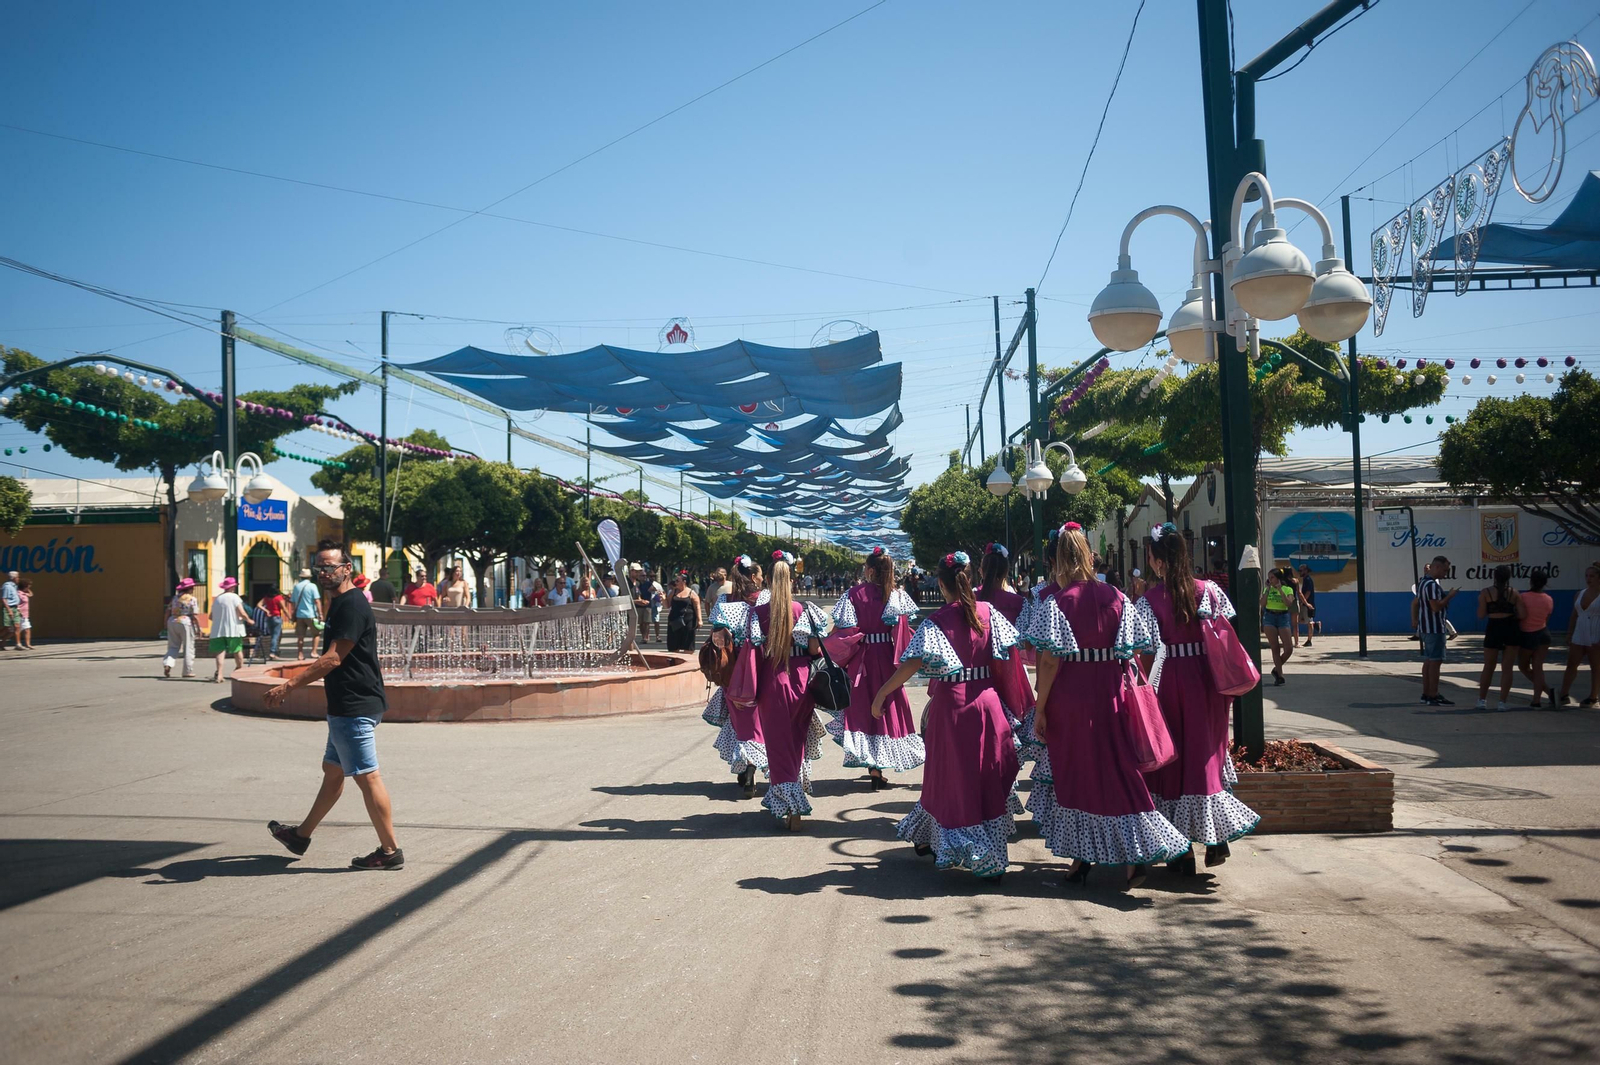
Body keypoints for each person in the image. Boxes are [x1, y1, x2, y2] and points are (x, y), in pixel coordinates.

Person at [1022, 522, 1189, 890]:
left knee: (1077, 775)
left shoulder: (1057, 603)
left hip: (1071, 695)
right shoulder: (1116, 596)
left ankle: (1081, 861)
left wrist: (1042, 706)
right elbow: (1139, 648)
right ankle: (1134, 857)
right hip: (1111, 690)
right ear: (1087, 554)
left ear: (1058, 560)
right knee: (1119, 770)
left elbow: (1048, 661)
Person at [872, 551, 1022, 880]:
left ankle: (969, 849)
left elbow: (911, 664)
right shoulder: (989, 613)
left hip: (952, 708)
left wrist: (883, 692)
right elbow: (1012, 660)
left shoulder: (937, 621)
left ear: (941, 585)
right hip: (987, 704)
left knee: (952, 779)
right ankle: (992, 852)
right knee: (986, 778)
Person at [265, 539, 402, 870]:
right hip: (347, 704)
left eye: (330, 566)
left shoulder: (352, 604)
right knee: (333, 773)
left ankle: (390, 851)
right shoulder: (341, 603)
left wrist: (288, 685)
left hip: (354, 705)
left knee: (368, 778)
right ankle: (300, 835)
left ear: (347, 568)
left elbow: (333, 659)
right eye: (319, 567)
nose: (323, 573)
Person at [1137, 521, 1259, 871]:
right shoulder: (1208, 591)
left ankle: (1181, 850)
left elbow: (1145, 650)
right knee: (1207, 754)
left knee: (1172, 760)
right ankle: (1216, 838)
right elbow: (1226, 630)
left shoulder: (1149, 600)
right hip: (1209, 681)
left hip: (1169, 680)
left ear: (1158, 559)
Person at [826, 546, 926, 789]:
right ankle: (878, 765)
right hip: (888, 659)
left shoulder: (853, 594)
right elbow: (901, 634)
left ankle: (873, 766)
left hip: (861, 658)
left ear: (869, 570)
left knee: (862, 709)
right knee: (886, 707)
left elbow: (845, 631)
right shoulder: (896, 596)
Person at [749, 552, 824, 829]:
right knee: (797, 741)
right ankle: (796, 802)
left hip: (773, 680)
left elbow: (752, 654)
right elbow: (815, 649)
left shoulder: (757, 614)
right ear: (792, 580)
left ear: (767, 581)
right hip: (802, 680)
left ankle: (792, 807)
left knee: (777, 746)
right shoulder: (803, 610)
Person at [706, 555, 771, 796]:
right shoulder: (765, 598)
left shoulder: (724, 600)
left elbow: (716, 634)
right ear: (754, 577)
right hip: (761, 664)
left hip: (733, 667)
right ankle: (752, 766)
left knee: (741, 718)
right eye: (761, 575)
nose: (763, 579)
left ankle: (746, 768)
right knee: (759, 717)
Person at [975, 542, 1040, 768]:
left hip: (976, 668)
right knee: (1010, 725)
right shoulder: (1018, 603)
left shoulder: (969, 599)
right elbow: (1024, 642)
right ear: (1006, 572)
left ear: (981, 570)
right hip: (1010, 670)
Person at [1475, 564, 1525, 711]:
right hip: (1510, 627)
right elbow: (1523, 615)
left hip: (1493, 628)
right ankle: (1502, 702)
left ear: (1494, 577)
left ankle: (1482, 700)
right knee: (1507, 668)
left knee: (1488, 666)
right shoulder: (1514, 593)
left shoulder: (1486, 593)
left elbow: (1481, 615)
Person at [1416, 555, 1459, 706]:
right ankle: (1433, 694)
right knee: (1435, 662)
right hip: (1434, 627)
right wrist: (1450, 596)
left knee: (1428, 661)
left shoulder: (1422, 583)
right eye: (1445, 570)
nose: (1445, 574)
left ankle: (1427, 693)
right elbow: (1435, 607)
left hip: (1426, 627)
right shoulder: (1432, 586)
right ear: (1437, 567)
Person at [1556, 561, 1600, 708]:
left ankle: (1593, 696)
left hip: (1596, 632)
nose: (1589, 578)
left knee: (1595, 666)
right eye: (1587, 575)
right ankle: (1563, 694)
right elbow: (1574, 615)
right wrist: (1569, 633)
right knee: (1571, 664)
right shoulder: (1579, 594)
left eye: (1592, 576)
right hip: (1579, 632)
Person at [1518, 571, 1555, 708]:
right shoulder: (1548, 599)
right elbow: (1546, 619)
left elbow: (1520, 616)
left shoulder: (1523, 597)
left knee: (1523, 666)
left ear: (1531, 581)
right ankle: (1537, 699)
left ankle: (1547, 691)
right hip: (1543, 634)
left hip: (1527, 634)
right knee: (1538, 667)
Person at [208, 576, 250, 683]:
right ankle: (240, 671)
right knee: (237, 651)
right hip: (233, 629)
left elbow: (211, 616)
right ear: (233, 587)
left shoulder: (218, 599)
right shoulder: (235, 597)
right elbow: (242, 612)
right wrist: (249, 620)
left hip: (217, 630)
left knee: (220, 653)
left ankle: (220, 674)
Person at [1260, 569, 1295, 685]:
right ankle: (1279, 675)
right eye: (1269, 578)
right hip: (1270, 617)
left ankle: (1276, 668)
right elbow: (1263, 604)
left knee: (1288, 648)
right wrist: (1267, 590)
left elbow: (1289, 604)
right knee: (1275, 647)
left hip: (1283, 617)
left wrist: (1280, 589)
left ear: (1278, 578)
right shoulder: (1267, 589)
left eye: (1272, 578)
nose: (1270, 580)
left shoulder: (1288, 589)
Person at [162, 577, 200, 678]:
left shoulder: (175, 598)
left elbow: (167, 611)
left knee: (173, 646)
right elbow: (195, 616)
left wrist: (165, 623)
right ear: (190, 588)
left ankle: (168, 663)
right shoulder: (192, 599)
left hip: (172, 621)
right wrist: (199, 629)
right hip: (186, 622)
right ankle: (187, 671)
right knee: (188, 647)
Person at [290, 567, 324, 659]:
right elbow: (317, 601)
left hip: (299, 615)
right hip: (311, 614)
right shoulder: (312, 586)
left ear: (301, 577)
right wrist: (320, 614)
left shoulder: (296, 587)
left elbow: (292, 602)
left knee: (300, 636)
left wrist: (293, 613)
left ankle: (300, 654)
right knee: (316, 634)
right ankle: (314, 652)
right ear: (309, 577)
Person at [665, 570, 702, 653]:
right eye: (675, 580)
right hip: (674, 621)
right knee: (673, 645)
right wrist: (663, 598)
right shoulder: (673, 592)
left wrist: (699, 620)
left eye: (678, 581)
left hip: (688, 621)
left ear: (684, 581)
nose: (675, 582)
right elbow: (668, 605)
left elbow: (697, 607)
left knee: (687, 645)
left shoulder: (691, 593)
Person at [256, 586, 286, 659]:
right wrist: (290, 617)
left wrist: (266, 610)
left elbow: (258, 605)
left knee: (273, 636)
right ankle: (273, 652)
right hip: (277, 617)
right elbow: (284, 608)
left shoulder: (266, 598)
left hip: (269, 618)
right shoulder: (278, 598)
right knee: (276, 636)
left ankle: (274, 652)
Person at [1296, 564, 1321, 646]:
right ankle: (1316, 624)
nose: (1300, 572)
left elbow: (1308, 592)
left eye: (1301, 570)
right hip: (1306, 604)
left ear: (1306, 570)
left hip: (1308, 604)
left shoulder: (1308, 580)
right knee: (1301, 620)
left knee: (1308, 622)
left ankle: (1309, 640)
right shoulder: (1305, 579)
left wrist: (1304, 602)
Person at [0, 570, 20, 650]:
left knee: (16, 627)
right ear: (14, 578)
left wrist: (18, 608)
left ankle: (17, 644)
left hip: (15, 608)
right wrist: (9, 610)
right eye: (18, 577)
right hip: (9, 608)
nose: (18, 578)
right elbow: (4, 599)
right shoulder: (7, 586)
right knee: (7, 628)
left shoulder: (14, 586)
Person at [14, 577, 34, 650]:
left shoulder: (25, 593)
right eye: (28, 585)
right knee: (15, 630)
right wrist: (18, 610)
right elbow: (16, 603)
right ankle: (16, 643)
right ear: (24, 586)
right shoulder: (18, 593)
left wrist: (27, 589)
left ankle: (28, 644)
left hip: (25, 615)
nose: (29, 587)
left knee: (27, 629)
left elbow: (31, 594)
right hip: (20, 614)